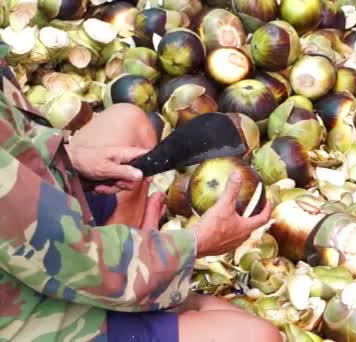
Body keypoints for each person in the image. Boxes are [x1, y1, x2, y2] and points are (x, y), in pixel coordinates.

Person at [0, 59, 281, 342]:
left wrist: (69, 157)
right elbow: (63, 253)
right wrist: (195, 244)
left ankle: (124, 283)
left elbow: (15, 137)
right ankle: (120, 289)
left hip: (37, 248)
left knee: (129, 123)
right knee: (259, 337)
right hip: (23, 311)